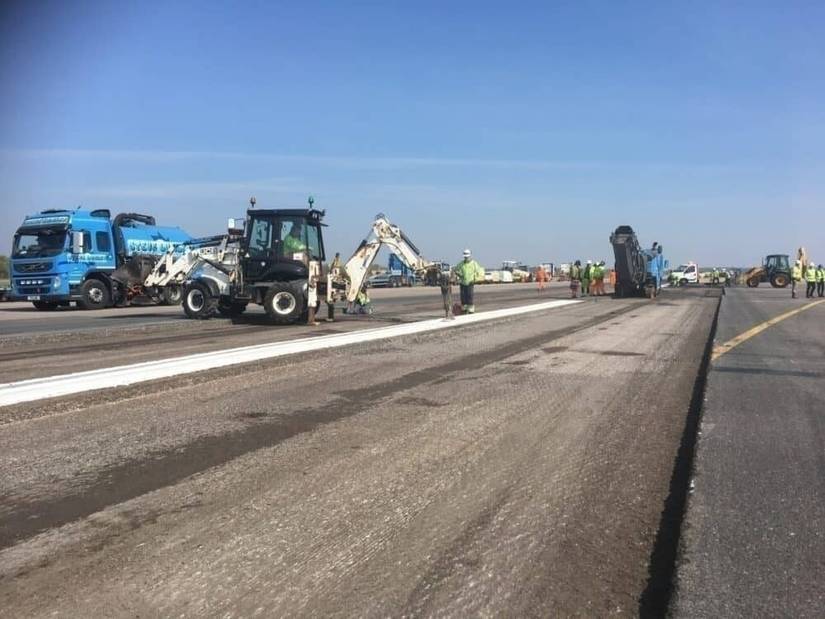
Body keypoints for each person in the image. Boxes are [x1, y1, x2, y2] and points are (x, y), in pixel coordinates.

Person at [454, 249, 485, 314]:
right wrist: (458, 274)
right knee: (463, 297)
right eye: (465, 257)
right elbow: (455, 269)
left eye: (467, 256)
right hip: (462, 283)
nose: (466, 258)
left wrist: (475, 280)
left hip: (470, 282)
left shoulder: (474, 263)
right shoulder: (461, 264)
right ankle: (464, 310)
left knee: (469, 297)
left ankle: (471, 310)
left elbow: (480, 272)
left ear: (470, 256)